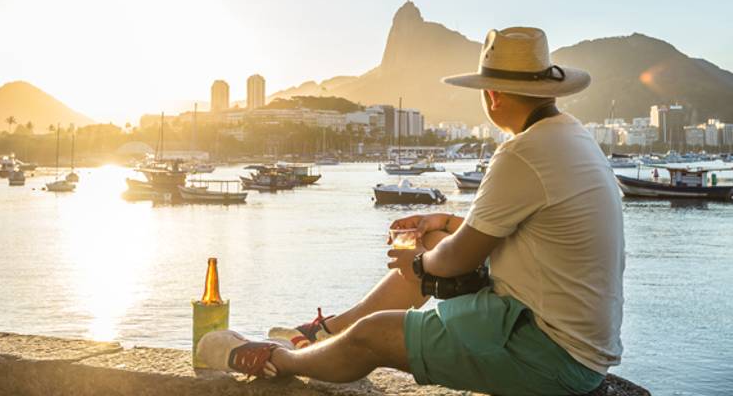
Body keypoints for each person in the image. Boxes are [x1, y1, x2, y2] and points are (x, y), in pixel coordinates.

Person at [198, 27, 625, 395]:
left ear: (492, 95)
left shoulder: (524, 152)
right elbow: (506, 234)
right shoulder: (569, 136)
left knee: (375, 334)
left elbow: (458, 259)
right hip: (563, 338)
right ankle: (328, 331)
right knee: (434, 241)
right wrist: (440, 225)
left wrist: (419, 264)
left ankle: (277, 360)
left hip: (549, 356)